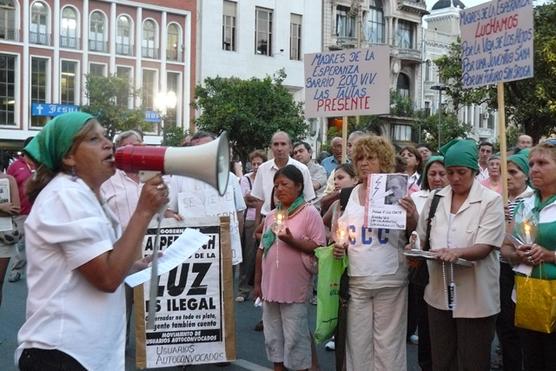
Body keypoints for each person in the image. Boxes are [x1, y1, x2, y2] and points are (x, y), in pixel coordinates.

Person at [16, 112, 168, 370]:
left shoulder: (87, 197)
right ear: (69, 157)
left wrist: (132, 267)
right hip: (63, 352)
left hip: (80, 353)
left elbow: (93, 266)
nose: (108, 144)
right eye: (94, 139)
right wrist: (144, 211)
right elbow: (107, 278)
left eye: (106, 136)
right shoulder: (65, 195)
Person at [416, 139, 504, 371]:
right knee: (442, 360)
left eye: (461, 172)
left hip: (476, 295)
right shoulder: (436, 199)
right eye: (450, 172)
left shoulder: (491, 201)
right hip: (438, 292)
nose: (455, 178)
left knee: (473, 361)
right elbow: (421, 236)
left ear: (474, 171)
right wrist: (414, 248)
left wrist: (456, 252)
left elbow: (485, 246)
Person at [333, 135, 418, 371]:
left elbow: (413, 231)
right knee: (357, 344)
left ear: (384, 161)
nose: (364, 163)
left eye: (371, 158)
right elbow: (342, 229)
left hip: (389, 278)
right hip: (358, 279)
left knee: (387, 347)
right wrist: (339, 244)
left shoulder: (397, 190)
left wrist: (411, 216)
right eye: (359, 158)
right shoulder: (349, 194)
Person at [254, 165, 326, 371]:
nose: (279, 189)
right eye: (276, 185)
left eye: (284, 184)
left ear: (299, 186)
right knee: (273, 339)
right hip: (270, 288)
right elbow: (261, 249)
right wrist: (258, 283)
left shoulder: (309, 213)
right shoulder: (272, 215)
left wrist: (292, 241)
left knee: (295, 338)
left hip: (294, 287)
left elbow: (319, 246)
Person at [501, 139, 556, 371]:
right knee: (532, 361)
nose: (534, 168)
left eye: (542, 163)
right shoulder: (523, 203)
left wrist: (550, 255)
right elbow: (504, 248)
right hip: (526, 296)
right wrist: (518, 255)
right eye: (532, 163)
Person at [167, 131, 246, 265]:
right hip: (193, 254)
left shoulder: (230, 178)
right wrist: (175, 219)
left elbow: (239, 214)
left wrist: (233, 242)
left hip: (226, 253)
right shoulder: (179, 178)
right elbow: (169, 211)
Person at [495, 149, 533, 371]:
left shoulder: (531, 201)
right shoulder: (498, 201)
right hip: (501, 267)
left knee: (525, 327)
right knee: (505, 324)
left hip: (525, 270)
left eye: (513, 172)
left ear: (526, 175)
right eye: (503, 172)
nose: (507, 177)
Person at [409, 156, 448, 371]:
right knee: (426, 324)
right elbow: (416, 235)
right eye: (432, 174)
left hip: (449, 269)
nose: (437, 178)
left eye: (442, 174)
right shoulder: (418, 197)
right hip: (424, 269)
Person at [251, 131, 315, 224]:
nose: (279, 148)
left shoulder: (302, 169)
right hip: (267, 221)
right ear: (271, 147)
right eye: (276, 144)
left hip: (295, 222)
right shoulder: (262, 169)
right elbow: (259, 201)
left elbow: (308, 199)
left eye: (283, 144)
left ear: (290, 147)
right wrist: (257, 225)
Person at [237, 150, 267, 302]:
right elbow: (245, 200)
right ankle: (243, 289)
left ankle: (262, 288)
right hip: (249, 220)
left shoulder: (267, 178)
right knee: (248, 255)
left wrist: (254, 199)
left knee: (263, 255)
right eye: (253, 164)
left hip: (266, 218)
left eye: (259, 164)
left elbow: (263, 199)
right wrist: (256, 200)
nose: (256, 166)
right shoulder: (245, 179)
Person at [6, 137, 34, 283]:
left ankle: (37, 272)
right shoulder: (16, 166)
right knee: (22, 245)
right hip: (22, 213)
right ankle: (17, 270)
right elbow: (7, 187)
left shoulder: (42, 165)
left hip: (39, 212)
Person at [0, 171, 20, 306]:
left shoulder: (9, 179)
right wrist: (1, 207)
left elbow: (16, 208)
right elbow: (7, 208)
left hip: (3, 238)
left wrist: (7, 208)